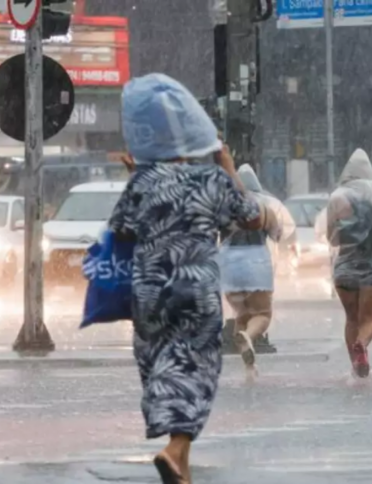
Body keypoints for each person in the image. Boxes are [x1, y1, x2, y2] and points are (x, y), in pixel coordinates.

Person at [108, 73, 264, 484]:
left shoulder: (142, 183)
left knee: (160, 362)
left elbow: (121, 230)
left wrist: (139, 180)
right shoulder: (209, 180)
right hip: (194, 288)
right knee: (197, 368)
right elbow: (251, 217)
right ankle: (177, 448)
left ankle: (181, 464)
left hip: (149, 290)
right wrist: (227, 165)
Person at [325, 148, 372, 378]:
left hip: (345, 267)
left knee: (351, 318)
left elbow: (332, 236)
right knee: (369, 319)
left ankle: (355, 366)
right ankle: (362, 345)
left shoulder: (337, 199)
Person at [219, 165, 294, 376]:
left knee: (241, 314)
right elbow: (278, 234)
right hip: (255, 262)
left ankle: (249, 367)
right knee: (262, 314)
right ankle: (250, 337)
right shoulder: (263, 207)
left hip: (229, 266)